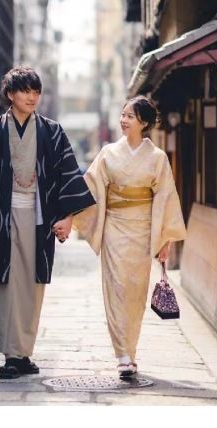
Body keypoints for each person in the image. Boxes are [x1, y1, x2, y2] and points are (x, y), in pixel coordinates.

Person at [0, 66, 96, 379]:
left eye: (36, 91)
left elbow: (67, 176)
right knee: (6, 284)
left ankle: (25, 353)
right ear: (10, 94)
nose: (32, 97)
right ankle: (10, 355)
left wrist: (68, 216)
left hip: (39, 218)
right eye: (25, 91)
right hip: (0, 219)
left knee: (32, 285)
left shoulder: (52, 131)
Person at [74, 96, 186, 378]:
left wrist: (165, 240)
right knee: (115, 288)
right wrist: (68, 214)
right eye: (122, 115)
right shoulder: (108, 153)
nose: (123, 120)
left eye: (130, 117)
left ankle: (130, 351)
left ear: (144, 123)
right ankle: (121, 354)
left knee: (135, 292)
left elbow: (166, 198)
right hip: (113, 226)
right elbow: (90, 186)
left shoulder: (158, 158)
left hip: (143, 228)